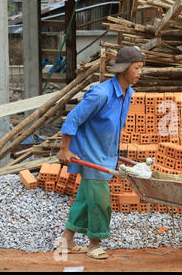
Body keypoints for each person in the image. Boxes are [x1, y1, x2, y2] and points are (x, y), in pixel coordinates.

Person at [57, 46, 145, 259]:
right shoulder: (101, 93)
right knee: (101, 201)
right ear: (124, 69)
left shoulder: (128, 93)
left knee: (86, 199)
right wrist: (64, 149)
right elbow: (73, 118)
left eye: (141, 68)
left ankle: (66, 240)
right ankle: (94, 243)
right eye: (136, 68)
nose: (140, 72)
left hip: (106, 154)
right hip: (90, 154)